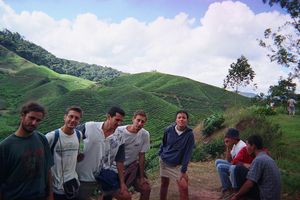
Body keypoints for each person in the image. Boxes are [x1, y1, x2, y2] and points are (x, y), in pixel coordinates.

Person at [0, 101, 54, 200]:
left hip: (40, 196)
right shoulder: (5, 146)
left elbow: (48, 170)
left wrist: (50, 195)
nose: (34, 123)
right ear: (22, 115)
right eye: (31, 118)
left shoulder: (41, 138)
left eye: (38, 120)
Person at [76, 106, 131, 200]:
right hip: (84, 174)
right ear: (108, 117)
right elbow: (72, 136)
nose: (119, 123)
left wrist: (122, 183)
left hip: (104, 174)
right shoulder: (90, 127)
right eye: (117, 120)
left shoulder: (120, 136)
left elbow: (120, 160)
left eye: (121, 121)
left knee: (126, 196)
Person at [46, 106, 83, 200]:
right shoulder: (52, 137)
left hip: (74, 184)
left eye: (77, 118)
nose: (73, 120)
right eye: (71, 116)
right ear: (65, 117)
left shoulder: (79, 135)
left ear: (79, 121)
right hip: (56, 188)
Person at [230, 135, 281, 200]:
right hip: (273, 195)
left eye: (247, 145)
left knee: (238, 168)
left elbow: (250, 184)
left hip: (265, 196)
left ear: (253, 146)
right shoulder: (265, 157)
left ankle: (239, 196)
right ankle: (240, 195)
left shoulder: (258, 160)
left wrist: (237, 196)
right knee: (241, 167)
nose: (246, 148)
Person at [159, 110, 195, 200]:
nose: (181, 119)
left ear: (187, 120)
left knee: (183, 187)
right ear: (176, 120)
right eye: (179, 117)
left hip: (177, 165)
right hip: (164, 161)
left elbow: (188, 152)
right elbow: (164, 143)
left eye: (184, 117)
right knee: (164, 183)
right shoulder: (168, 130)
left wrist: (183, 169)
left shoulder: (189, 135)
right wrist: (161, 153)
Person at [117, 110, 151, 200]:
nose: (139, 123)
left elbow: (142, 156)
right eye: (138, 120)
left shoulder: (145, 134)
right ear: (133, 119)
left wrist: (142, 177)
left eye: (142, 122)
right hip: (116, 168)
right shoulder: (119, 131)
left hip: (132, 168)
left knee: (146, 189)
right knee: (123, 195)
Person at [215, 128, 246, 198]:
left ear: (234, 138)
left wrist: (229, 147)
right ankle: (226, 185)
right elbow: (229, 160)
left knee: (220, 166)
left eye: (229, 137)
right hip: (234, 164)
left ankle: (228, 189)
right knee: (217, 161)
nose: (228, 139)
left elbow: (236, 164)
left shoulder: (241, 146)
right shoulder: (235, 144)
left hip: (240, 168)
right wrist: (228, 147)